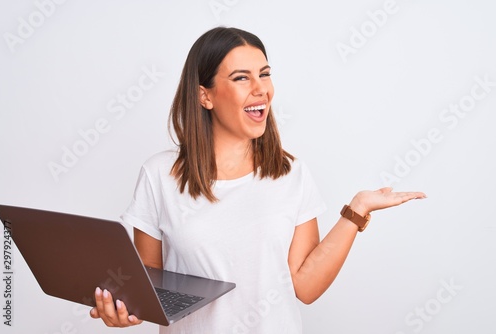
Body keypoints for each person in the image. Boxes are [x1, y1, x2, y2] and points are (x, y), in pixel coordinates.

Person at [90, 27, 426, 333]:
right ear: (204, 96)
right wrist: (121, 309)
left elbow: (305, 287)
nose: (260, 89)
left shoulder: (290, 174)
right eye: (241, 78)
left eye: (264, 74)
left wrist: (357, 210)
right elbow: (149, 286)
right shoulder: (159, 176)